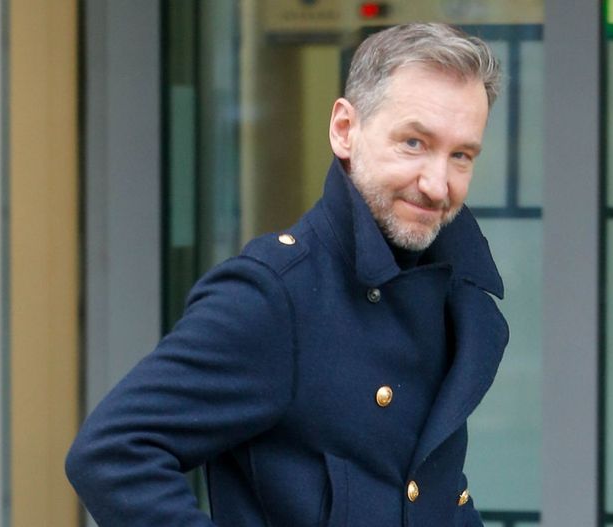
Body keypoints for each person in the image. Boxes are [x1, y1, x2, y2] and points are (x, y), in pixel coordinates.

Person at [66, 22, 509, 527]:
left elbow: (431, 496)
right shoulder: (276, 293)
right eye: (413, 142)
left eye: (460, 156)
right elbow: (112, 453)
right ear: (344, 129)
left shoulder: (452, 298)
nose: (437, 184)